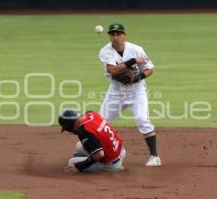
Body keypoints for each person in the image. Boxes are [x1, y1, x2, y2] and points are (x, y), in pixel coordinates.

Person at [98, 23, 161, 166]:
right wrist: (132, 61)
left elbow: (150, 68)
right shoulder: (105, 51)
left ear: (124, 35)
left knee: (142, 120)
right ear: (109, 36)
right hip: (116, 93)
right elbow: (113, 70)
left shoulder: (136, 49)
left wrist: (138, 78)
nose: (115, 37)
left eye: (118, 34)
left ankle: (154, 157)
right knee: (101, 123)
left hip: (137, 92)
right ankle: (101, 154)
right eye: (112, 34)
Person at [59, 109, 126, 175]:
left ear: (71, 125)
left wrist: (78, 166)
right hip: (120, 151)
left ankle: (112, 168)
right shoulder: (92, 114)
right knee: (79, 146)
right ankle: (90, 157)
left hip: (111, 164)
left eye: (68, 128)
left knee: (71, 162)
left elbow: (99, 154)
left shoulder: (83, 130)